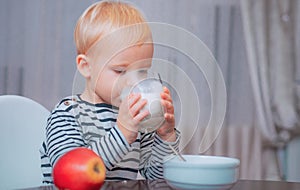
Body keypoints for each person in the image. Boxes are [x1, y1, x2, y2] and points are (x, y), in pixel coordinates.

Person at [40, 0, 180, 183]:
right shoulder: (68, 115)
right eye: (120, 71)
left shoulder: (135, 117)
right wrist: (122, 133)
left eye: (141, 71)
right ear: (86, 67)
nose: (133, 81)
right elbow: (73, 178)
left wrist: (166, 136)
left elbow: (155, 177)